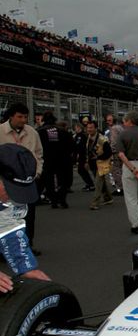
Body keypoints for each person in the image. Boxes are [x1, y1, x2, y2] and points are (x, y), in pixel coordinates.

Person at [0, 144, 51, 292]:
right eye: (9, 189)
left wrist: (26, 268)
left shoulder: (10, 201)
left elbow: (9, 229)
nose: (12, 197)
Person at [0, 103, 44, 254]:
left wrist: (37, 172)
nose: (23, 120)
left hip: (27, 181)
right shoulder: (0, 131)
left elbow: (38, 154)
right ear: (11, 116)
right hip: (7, 182)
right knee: (6, 215)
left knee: (28, 215)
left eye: (25, 117)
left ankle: (27, 245)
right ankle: (6, 249)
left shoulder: (32, 132)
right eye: (19, 116)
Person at [37, 111, 73, 209]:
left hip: (47, 159)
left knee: (48, 180)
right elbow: (71, 145)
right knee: (64, 180)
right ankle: (62, 199)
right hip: (63, 159)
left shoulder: (39, 131)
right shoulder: (63, 130)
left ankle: (53, 200)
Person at [84, 121, 113, 210]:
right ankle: (108, 198)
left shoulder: (102, 139)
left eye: (91, 127)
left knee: (97, 183)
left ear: (96, 128)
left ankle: (94, 203)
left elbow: (109, 152)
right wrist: (87, 162)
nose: (89, 129)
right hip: (93, 164)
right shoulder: (88, 137)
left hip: (102, 164)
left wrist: (98, 157)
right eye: (88, 127)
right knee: (101, 182)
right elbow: (88, 152)